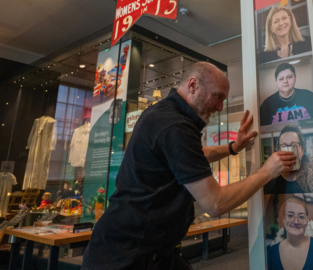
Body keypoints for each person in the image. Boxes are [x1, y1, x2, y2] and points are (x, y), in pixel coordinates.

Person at [81, 62, 296, 270]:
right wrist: (268, 171)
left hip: (153, 251)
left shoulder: (165, 115)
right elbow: (215, 203)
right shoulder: (174, 125)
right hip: (126, 256)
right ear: (193, 85)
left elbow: (190, 156)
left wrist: (233, 148)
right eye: (217, 96)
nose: (220, 107)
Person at [267, 196, 313, 270]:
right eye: (290, 215)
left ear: (306, 220)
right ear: (284, 219)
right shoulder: (272, 253)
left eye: (301, 217)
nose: (296, 221)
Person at [264, 125, 313, 194]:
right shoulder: (271, 180)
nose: (289, 151)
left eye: (293, 145)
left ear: (302, 149)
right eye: (284, 146)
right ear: (278, 151)